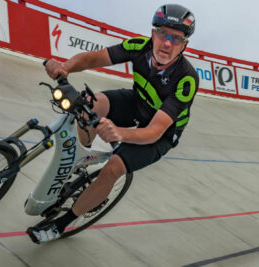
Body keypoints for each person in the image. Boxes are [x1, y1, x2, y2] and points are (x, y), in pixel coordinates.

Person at [27, 4, 199, 243]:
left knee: (114, 167)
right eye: (162, 33)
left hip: (163, 131)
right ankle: (78, 159)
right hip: (139, 102)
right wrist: (65, 67)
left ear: (184, 45)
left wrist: (118, 132)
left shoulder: (186, 78)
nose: (167, 43)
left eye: (176, 38)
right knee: (91, 103)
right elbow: (93, 58)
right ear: (153, 33)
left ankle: (61, 225)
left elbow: (154, 131)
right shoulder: (139, 47)